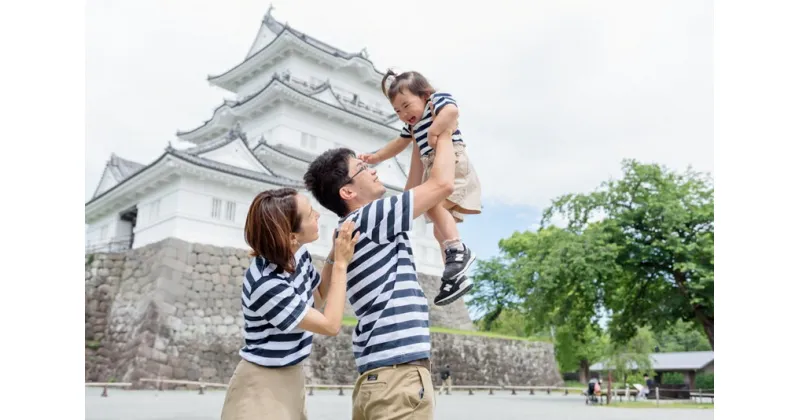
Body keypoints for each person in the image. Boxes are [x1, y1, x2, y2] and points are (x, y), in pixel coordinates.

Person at [303, 124, 460, 419]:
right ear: (347, 191)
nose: (374, 170)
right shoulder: (372, 216)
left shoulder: (348, 228)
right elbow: (442, 184)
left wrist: (416, 140)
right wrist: (446, 130)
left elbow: (415, 191)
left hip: (375, 378)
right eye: (363, 168)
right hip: (398, 378)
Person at [220, 188, 360, 420]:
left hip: (292, 377)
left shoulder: (297, 256)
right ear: (291, 236)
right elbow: (330, 325)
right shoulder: (266, 284)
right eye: (309, 214)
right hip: (261, 385)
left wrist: (335, 252)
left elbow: (318, 295)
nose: (317, 215)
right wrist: (341, 265)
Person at [357, 69, 482, 306]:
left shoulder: (435, 101)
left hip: (452, 161)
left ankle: (458, 249)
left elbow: (453, 111)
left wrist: (435, 130)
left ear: (424, 95)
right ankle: (455, 275)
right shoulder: (413, 127)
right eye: (397, 111)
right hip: (432, 164)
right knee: (437, 229)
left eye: (406, 105)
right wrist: (376, 157)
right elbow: (398, 144)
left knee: (431, 202)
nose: (404, 114)